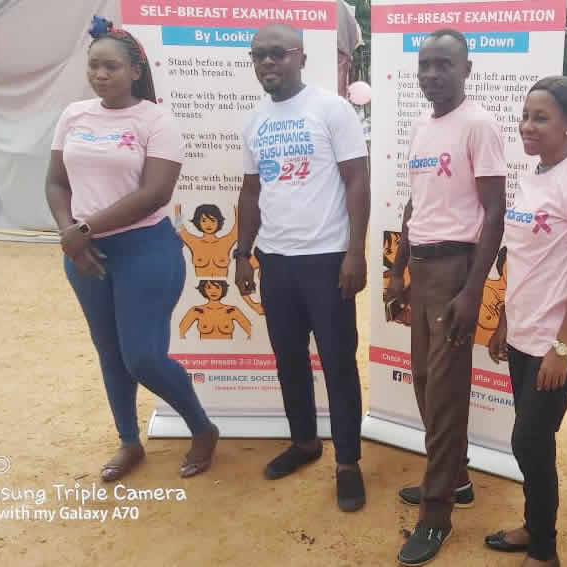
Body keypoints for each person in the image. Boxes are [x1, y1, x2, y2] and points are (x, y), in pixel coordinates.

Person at [45, 16, 218, 482]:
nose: (100, 75)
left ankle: (202, 428)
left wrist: (83, 229)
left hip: (145, 251)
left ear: (136, 71)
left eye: (112, 67)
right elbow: (57, 182)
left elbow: (155, 194)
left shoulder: (156, 120)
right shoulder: (74, 116)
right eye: (94, 66)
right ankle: (128, 441)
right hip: (84, 254)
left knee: (141, 357)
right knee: (109, 351)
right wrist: (69, 232)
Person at [233, 23, 370, 512]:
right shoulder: (254, 120)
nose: (267, 63)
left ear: (301, 58)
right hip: (276, 260)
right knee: (289, 358)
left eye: (278, 53)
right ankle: (305, 441)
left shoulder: (331, 109)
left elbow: (357, 180)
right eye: (259, 55)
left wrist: (356, 251)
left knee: (337, 362)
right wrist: (243, 252)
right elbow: (252, 190)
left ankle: (348, 462)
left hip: (327, 259)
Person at [385, 29, 507, 566]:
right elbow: (416, 206)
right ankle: (456, 479)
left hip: (458, 269)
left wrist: (472, 290)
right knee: (424, 382)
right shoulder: (421, 126)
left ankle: (436, 515)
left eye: (444, 65)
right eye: (425, 65)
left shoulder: (478, 124)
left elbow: (495, 211)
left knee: (445, 394)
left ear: (466, 70)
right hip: (424, 267)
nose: (432, 75)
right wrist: (397, 271)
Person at [483, 76, 567, 567]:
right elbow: (522, 259)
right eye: (525, 116)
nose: (527, 126)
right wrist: (504, 322)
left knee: (529, 441)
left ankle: (544, 550)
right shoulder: (532, 175)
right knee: (533, 442)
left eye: (541, 118)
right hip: (523, 332)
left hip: (559, 342)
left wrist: (562, 346)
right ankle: (533, 526)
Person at [174, 203, 239, 277]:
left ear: (218, 221)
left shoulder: (225, 243)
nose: (208, 224)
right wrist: (177, 207)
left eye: (212, 220)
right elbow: (180, 229)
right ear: (198, 222)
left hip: (223, 282)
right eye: (204, 220)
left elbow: (237, 228)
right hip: (199, 282)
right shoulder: (194, 243)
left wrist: (237, 205)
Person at [179, 280, 253, 340]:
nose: (213, 291)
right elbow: (180, 333)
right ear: (203, 289)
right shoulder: (196, 310)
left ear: (223, 289)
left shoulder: (232, 310)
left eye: (217, 287)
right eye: (209, 287)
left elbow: (251, 332)